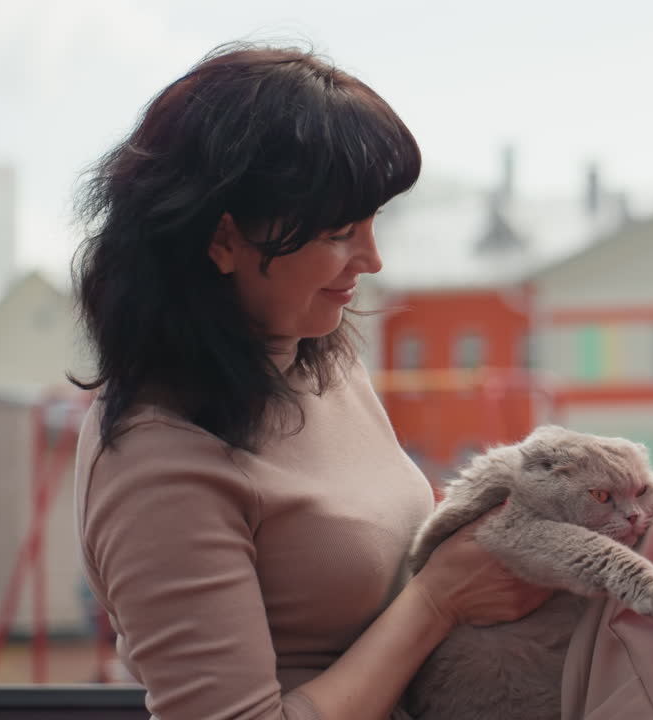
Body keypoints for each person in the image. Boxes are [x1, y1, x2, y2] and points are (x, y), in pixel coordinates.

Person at [71, 43, 549, 720]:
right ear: (223, 238)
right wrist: (439, 602)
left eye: (374, 222)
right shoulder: (157, 458)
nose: (372, 259)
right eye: (340, 232)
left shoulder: (318, 359)